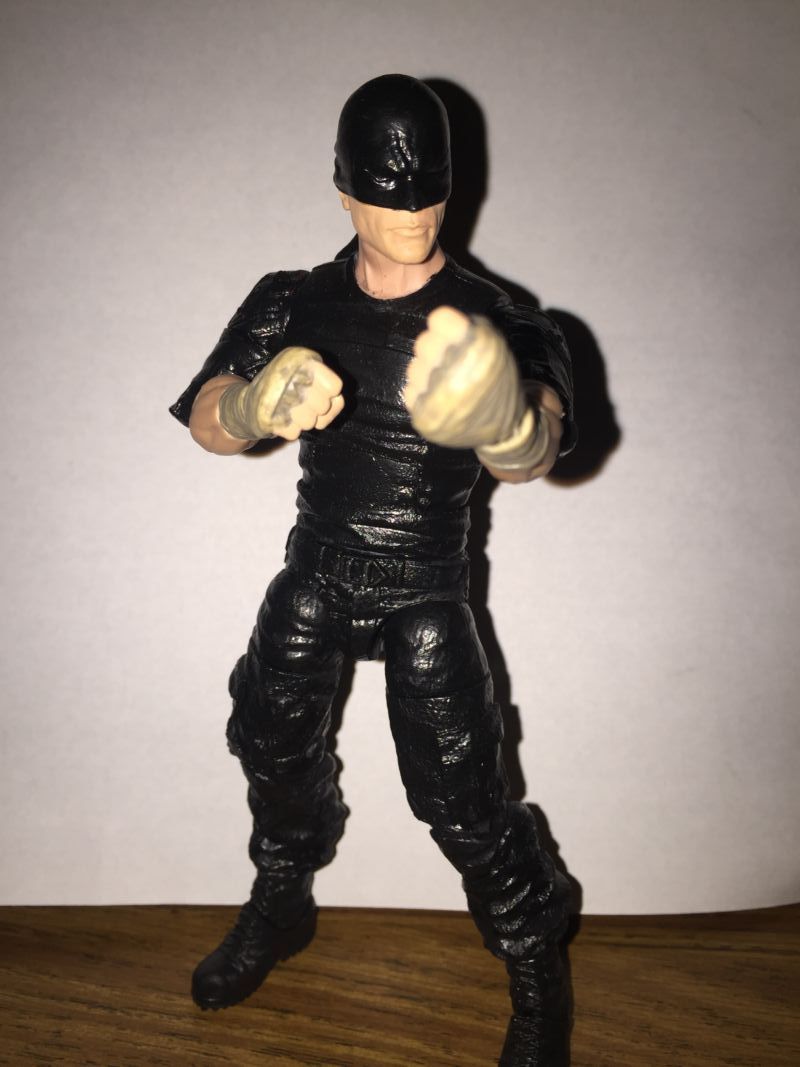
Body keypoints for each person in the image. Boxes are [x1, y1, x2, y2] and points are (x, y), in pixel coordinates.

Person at [170, 74, 576, 1067]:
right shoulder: (294, 298)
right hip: (317, 567)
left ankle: (536, 967)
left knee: (463, 794)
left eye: (430, 189)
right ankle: (282, 899)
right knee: (271, 743)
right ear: (344, 189)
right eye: (389, 191)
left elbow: (541, 442)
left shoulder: (497, 317)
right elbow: (206, 415)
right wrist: (252, 405)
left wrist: (507, 423)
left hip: (425, 585)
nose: (413, 211)